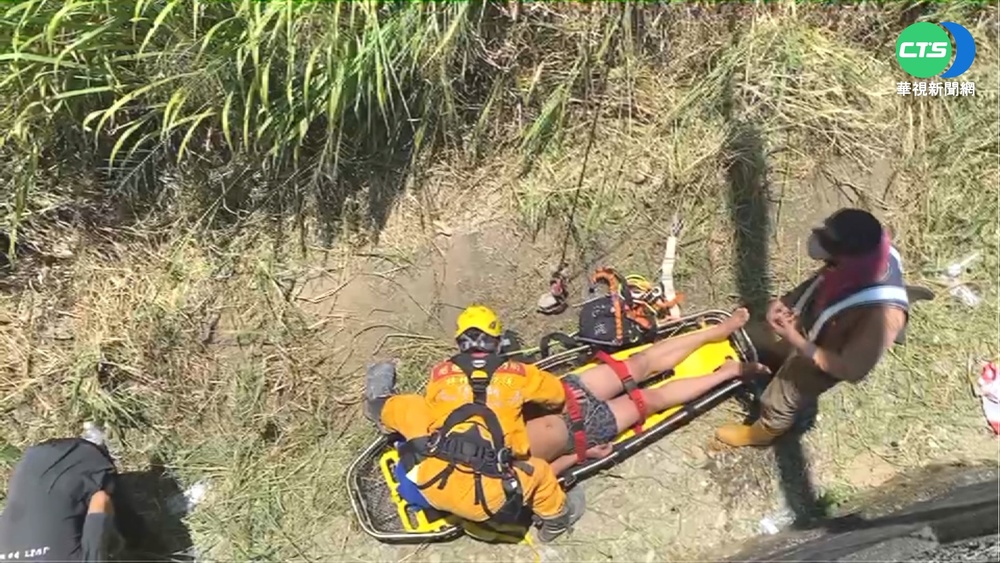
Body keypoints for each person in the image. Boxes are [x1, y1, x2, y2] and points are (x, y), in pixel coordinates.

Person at [364, 304, 582, 543]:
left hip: (432, 484)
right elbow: (556, 395)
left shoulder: (441, 372)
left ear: (460, 341)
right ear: (497, 341)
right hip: (485, 499)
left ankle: (379, 404)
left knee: (412, 410)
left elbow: (431, 402)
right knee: (538, 474)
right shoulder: (519, 374)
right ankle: (556, 520)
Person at [715, 208, 911, 447]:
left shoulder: (884, 318)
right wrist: (787, 301)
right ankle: (772, 361)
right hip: (816, 323)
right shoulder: (860, 257)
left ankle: (764, 431)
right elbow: (825, 275)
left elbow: (851, 369)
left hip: (830, 357)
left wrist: (796, 341)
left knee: (787, 391)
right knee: (760, 340)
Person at [524, 307, 769, 474]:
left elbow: (510, 387)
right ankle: (728, 372)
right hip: (579, 435)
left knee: (638, 364)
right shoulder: (486, 493)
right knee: (651, 400)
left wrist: (550, 393)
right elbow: (536, 477)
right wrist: (580, 456)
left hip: (561, 397)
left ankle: (715, 332)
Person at [0, 437, 123, 562]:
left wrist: (111, 541)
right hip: (29, 462)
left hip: (81, 455)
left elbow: (101, 499)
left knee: (109, 516)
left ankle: (97, 440)